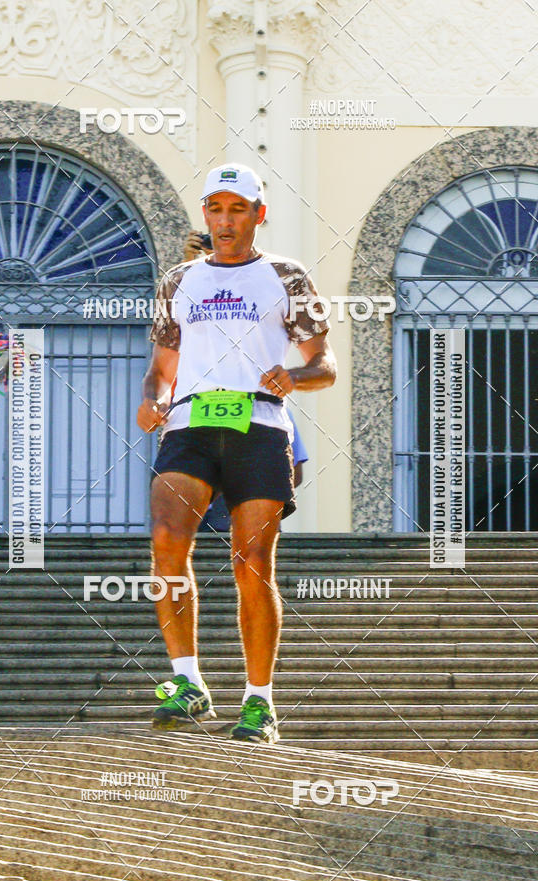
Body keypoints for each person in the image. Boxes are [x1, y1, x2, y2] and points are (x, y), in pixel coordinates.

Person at [136, 162, 336, 743]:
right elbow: (159, 372)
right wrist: (152, 400)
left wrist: (295, 377)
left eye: (237, 209)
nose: (225, 221)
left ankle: (259, 701)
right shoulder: (178, 281)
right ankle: (187, 681)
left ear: (258, 214)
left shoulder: (287, 277)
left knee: (252, 565)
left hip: (259, 423)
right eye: (215, 209)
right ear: (206, 214)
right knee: (166, 541)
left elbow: (325, 364)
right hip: (190, 424)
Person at [198, 408, 308, 533]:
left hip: (258, 515)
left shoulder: (278, 410)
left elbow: (295, 474)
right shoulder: (198, 404)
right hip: (206, 519)